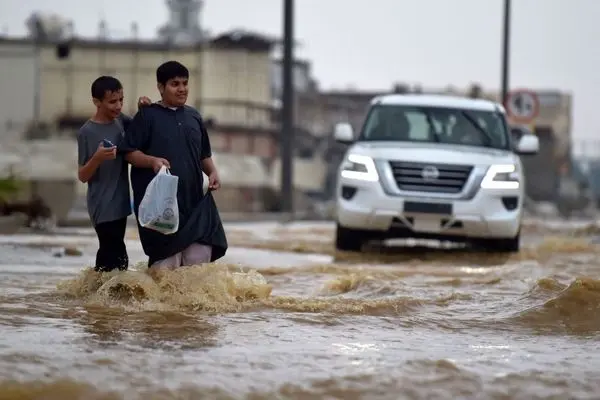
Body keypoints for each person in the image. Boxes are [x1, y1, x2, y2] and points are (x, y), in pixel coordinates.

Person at [122, 61, 228, 269]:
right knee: (164, 271)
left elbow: (203, 155)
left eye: (185, 83)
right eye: (175, 84)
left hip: (193, 204)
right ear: (161, 87)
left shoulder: (194, 116)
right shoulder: (147, 116)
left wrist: (213, 172)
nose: (182, 89)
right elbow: (129, 153)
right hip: (161, 207)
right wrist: (152, 161)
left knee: (197, 267)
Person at [77, 75, 150, 272]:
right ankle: (107, 296)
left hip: (120, 203)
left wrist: (143, 109)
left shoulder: (120, 121)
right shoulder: (87, 132)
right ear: (97, 102)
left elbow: (140, 129)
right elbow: (83, 176)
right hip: (101, 204)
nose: (118, 106)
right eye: (112, 102)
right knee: (117, 255)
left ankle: (94, 296)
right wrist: (98, 158)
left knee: (109, 254)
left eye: (121, 100)